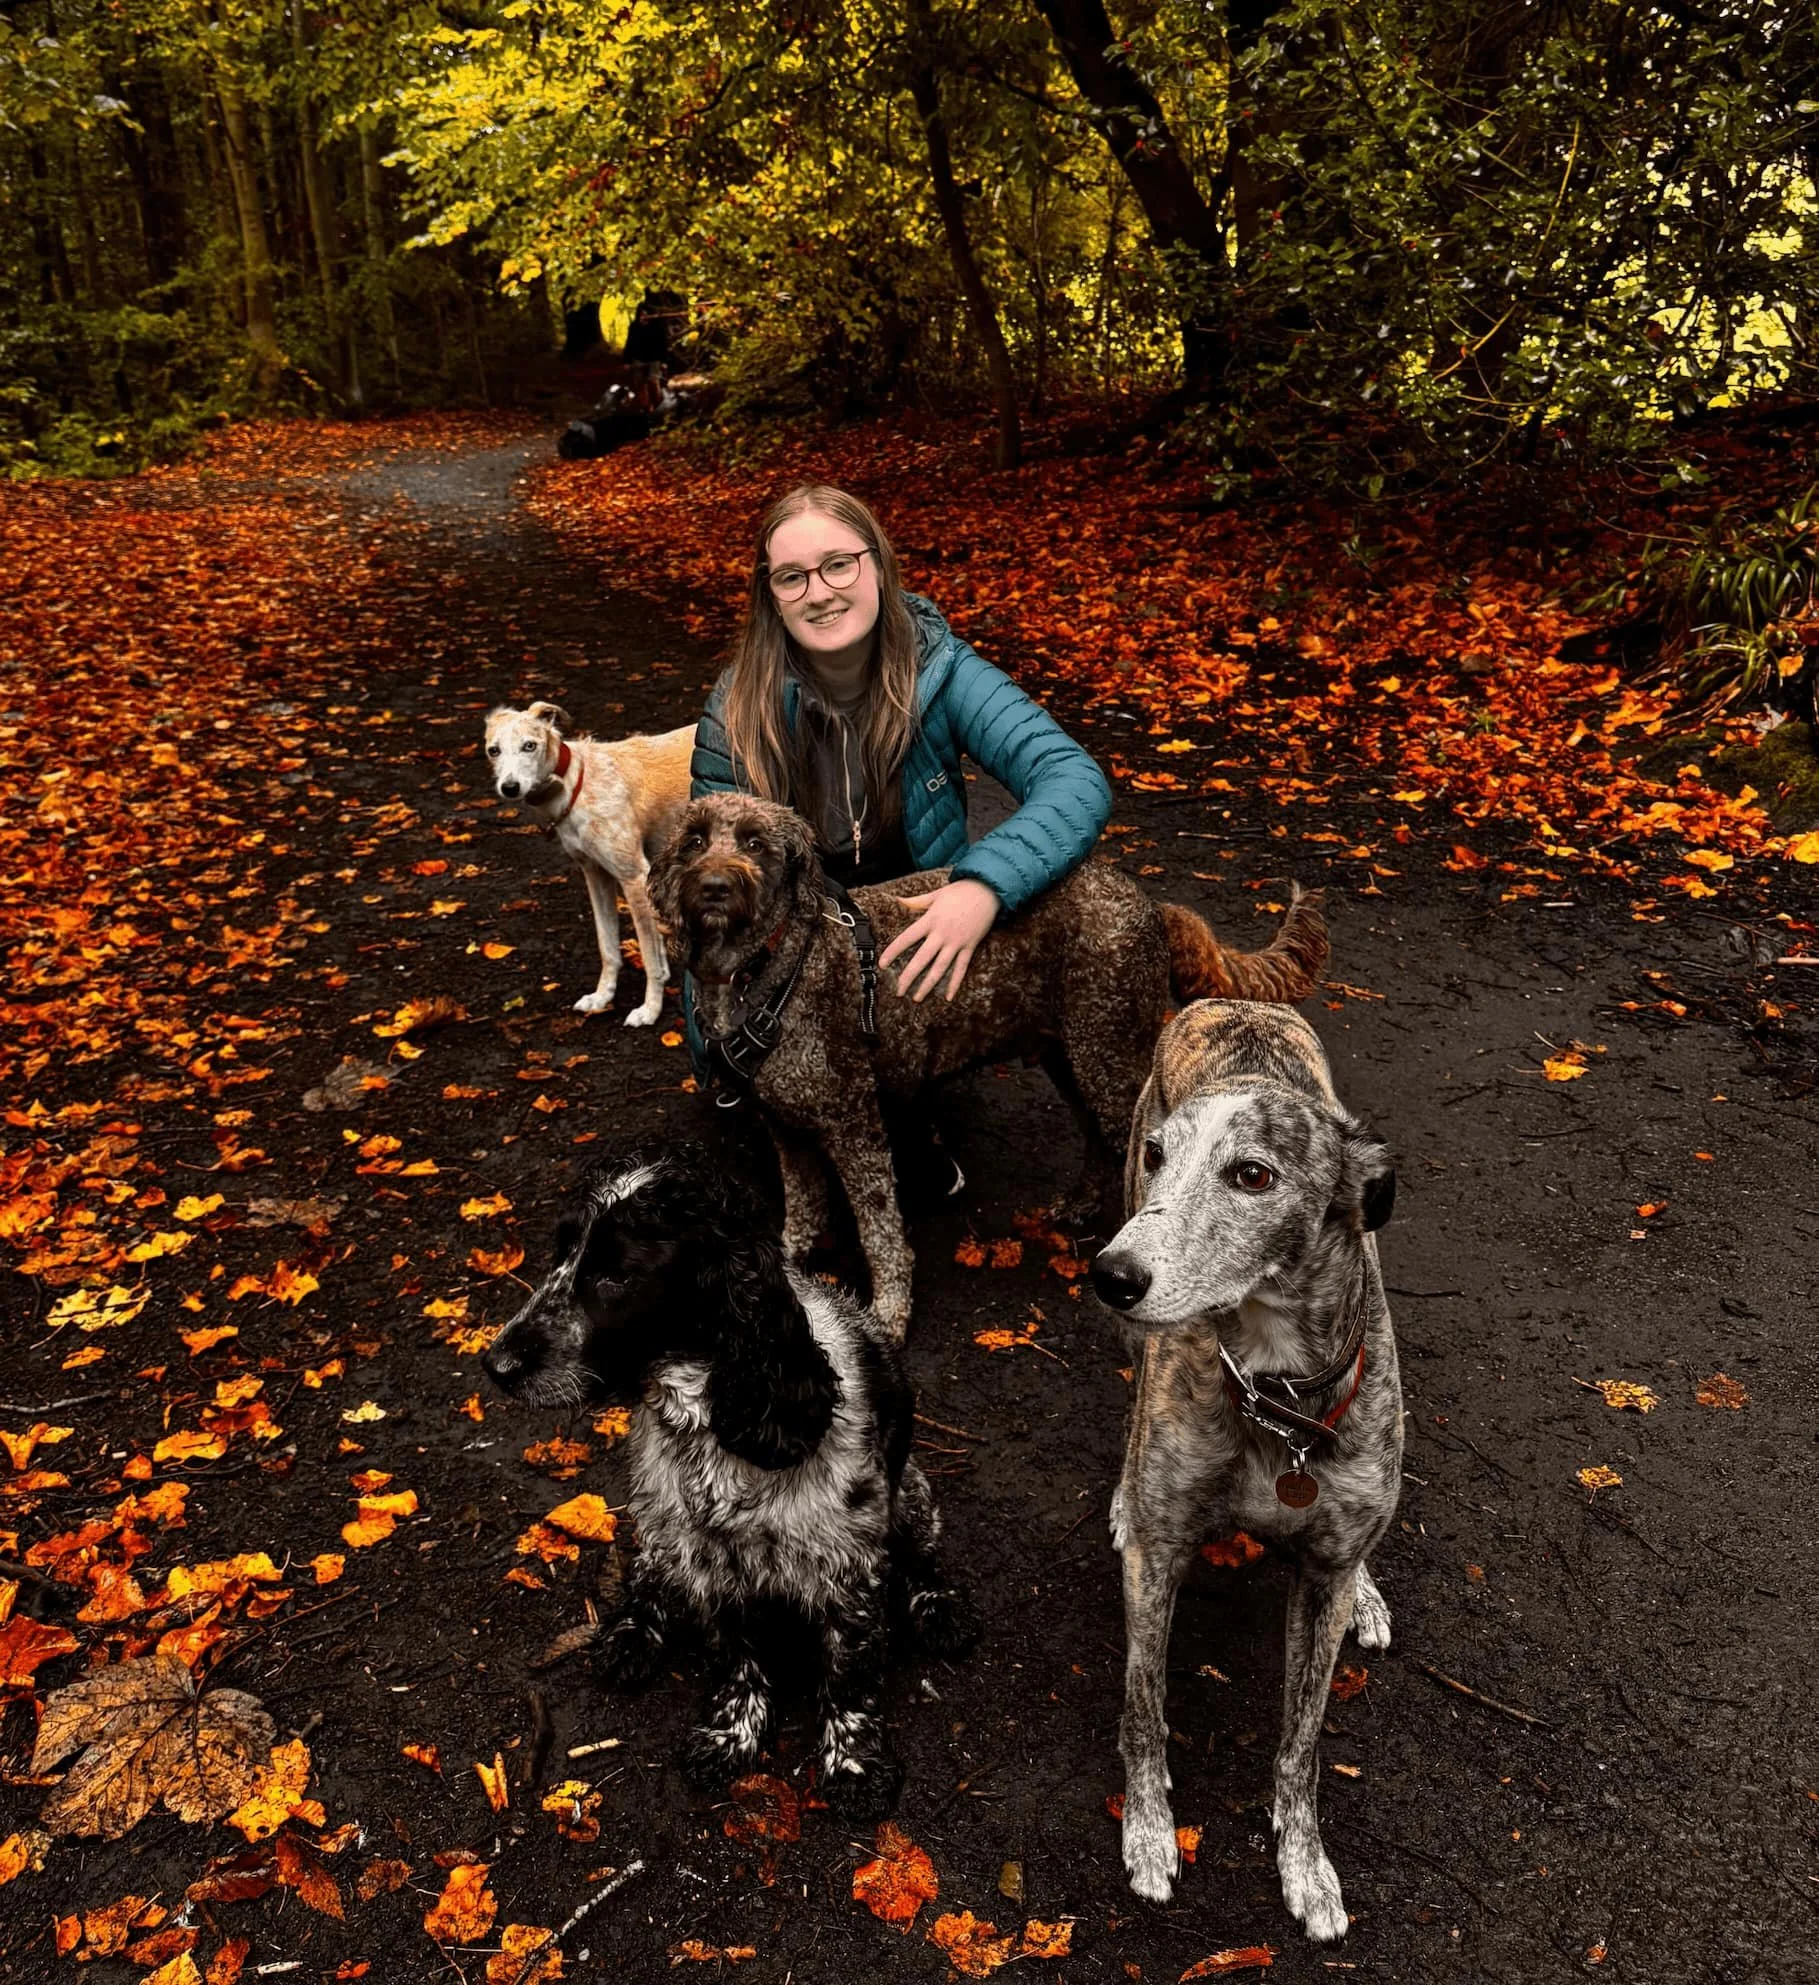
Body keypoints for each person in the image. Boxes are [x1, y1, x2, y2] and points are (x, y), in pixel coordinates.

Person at [690, 482, 1112, 1011]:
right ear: (770, 597)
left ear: (879, 567)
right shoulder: (739, 706)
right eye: (792, 578)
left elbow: (1072, 776)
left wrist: (984, 885)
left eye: (838, 564)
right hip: (795, 963)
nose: (819, 593)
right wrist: (726, 1060)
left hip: (919, 940)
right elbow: (715, 886)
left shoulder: (941, 669)